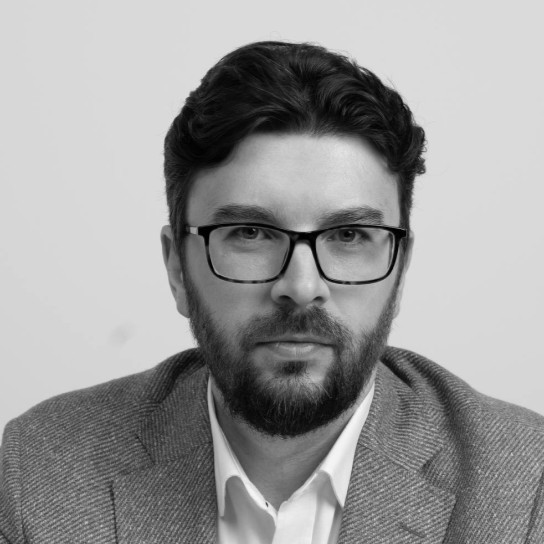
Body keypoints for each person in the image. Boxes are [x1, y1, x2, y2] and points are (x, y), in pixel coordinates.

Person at [1, 41, 544, 544]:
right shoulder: (43, 471)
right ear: (177, 269)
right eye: (250, 233)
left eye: (348, 236)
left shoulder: (524, 488)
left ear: (399, 271)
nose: (301, 288)